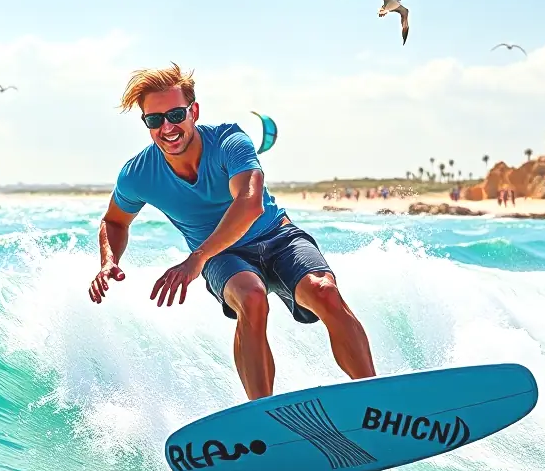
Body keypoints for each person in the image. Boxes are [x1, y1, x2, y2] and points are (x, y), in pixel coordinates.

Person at [88, 63, 378, 401]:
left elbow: (250, 203)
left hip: (276, 237)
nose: (167, 127)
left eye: (176, 115)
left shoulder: (230, 140)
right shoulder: (138, 174)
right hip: (224, 257)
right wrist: (108, 260)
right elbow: (114, 221)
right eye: (154, 120)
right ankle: (262, 415)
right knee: (251, 298)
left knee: (324, 291)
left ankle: (374, 399)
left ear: (193, 111)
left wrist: (197, 258)